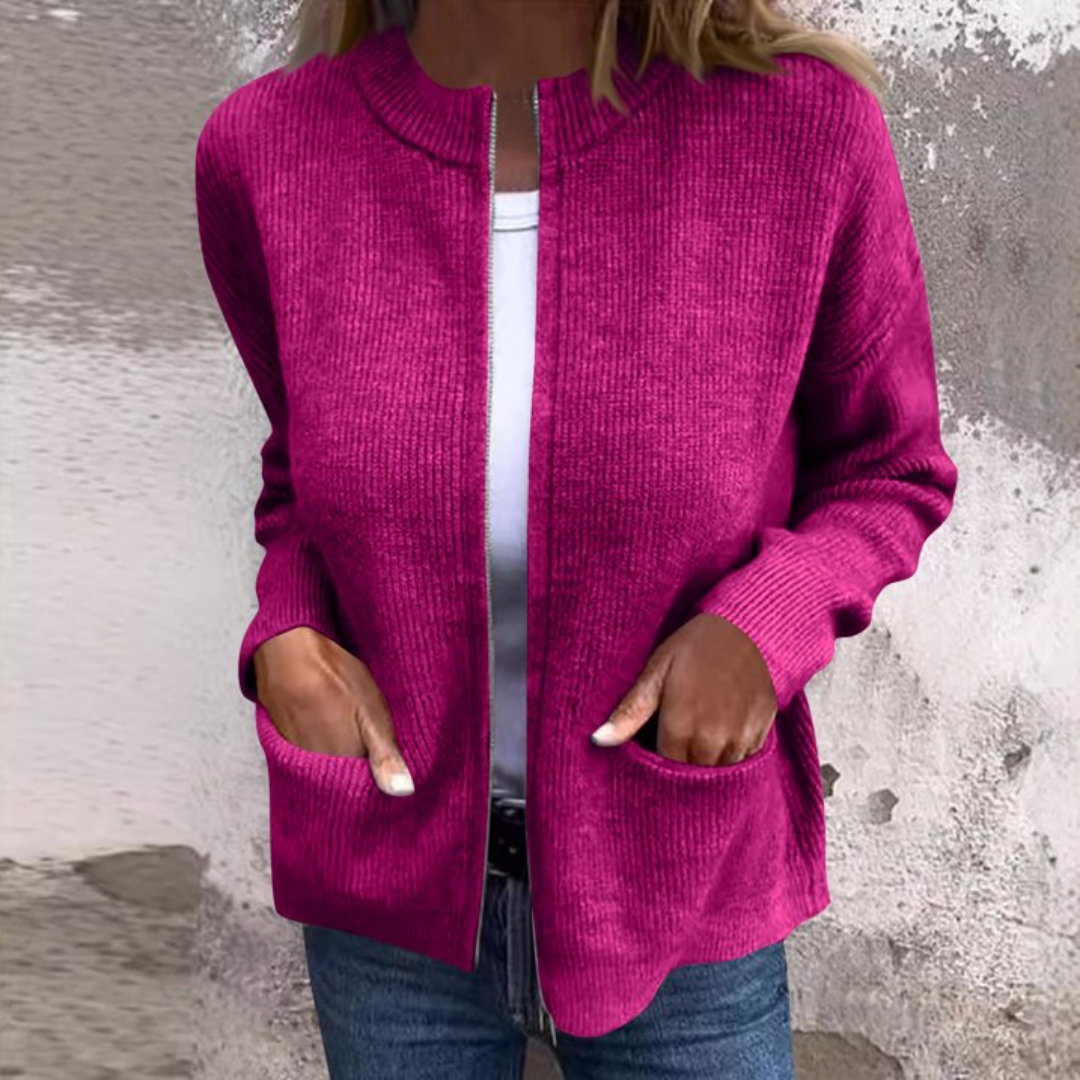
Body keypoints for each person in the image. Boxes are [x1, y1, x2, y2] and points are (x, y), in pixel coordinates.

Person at [194, 0, 959, 1075]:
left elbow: (888, 467)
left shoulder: (801, 132)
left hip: (677, 882)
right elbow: (302, 477)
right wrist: (288, 629)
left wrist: (764, 625)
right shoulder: (267, 150)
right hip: (386, 895)